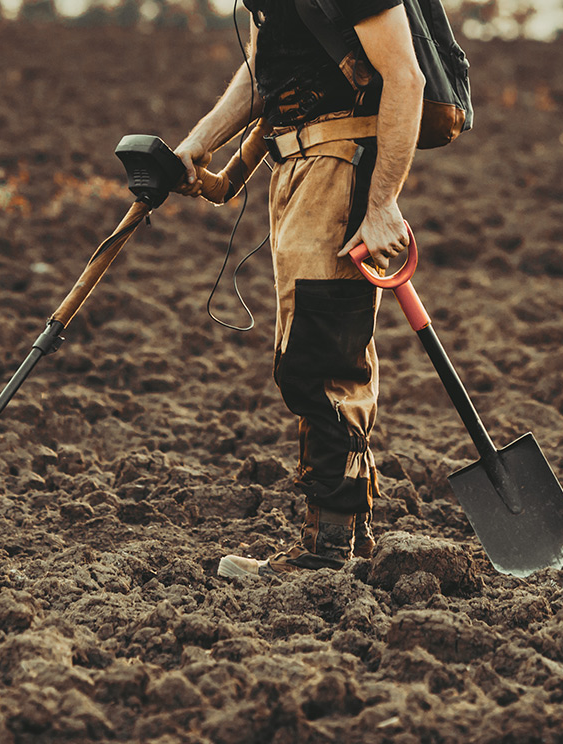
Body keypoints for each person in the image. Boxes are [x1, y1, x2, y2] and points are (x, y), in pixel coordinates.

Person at [174, 0, 424, 576]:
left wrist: (382, 203)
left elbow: (404, 77)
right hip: (294, 167)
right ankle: (348, 542)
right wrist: (210, 156)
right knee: (317, 343)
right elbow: (271, 77)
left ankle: (326, 550)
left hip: (338, 163)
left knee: (321, 349)